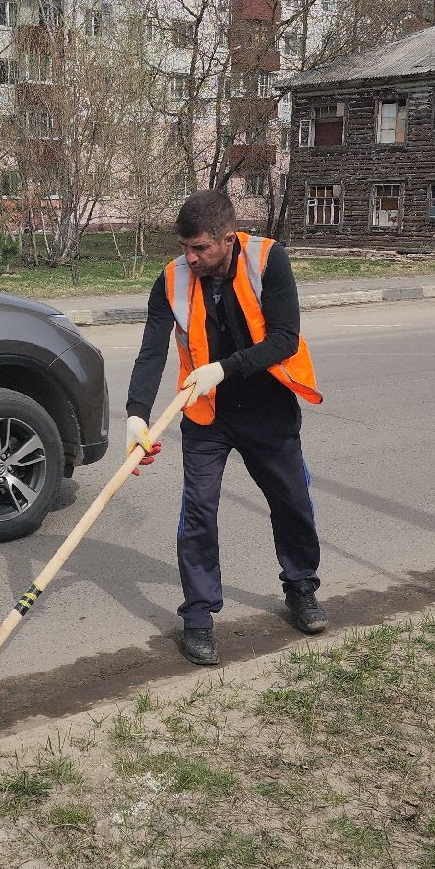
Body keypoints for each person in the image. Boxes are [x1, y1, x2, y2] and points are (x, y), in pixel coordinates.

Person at [124, 190, 325, 666]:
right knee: (198, 513)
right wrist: (136, 414)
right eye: (185, 247)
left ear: (227, 239)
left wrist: (223, 368)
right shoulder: (171, 279)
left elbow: (284, 339)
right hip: (205, 414)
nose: (190, 258)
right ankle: (197, 617)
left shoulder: (268, 259)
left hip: (267, 408)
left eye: (201, 249)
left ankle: (301, 588)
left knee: (291, 501)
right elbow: (152, 349)